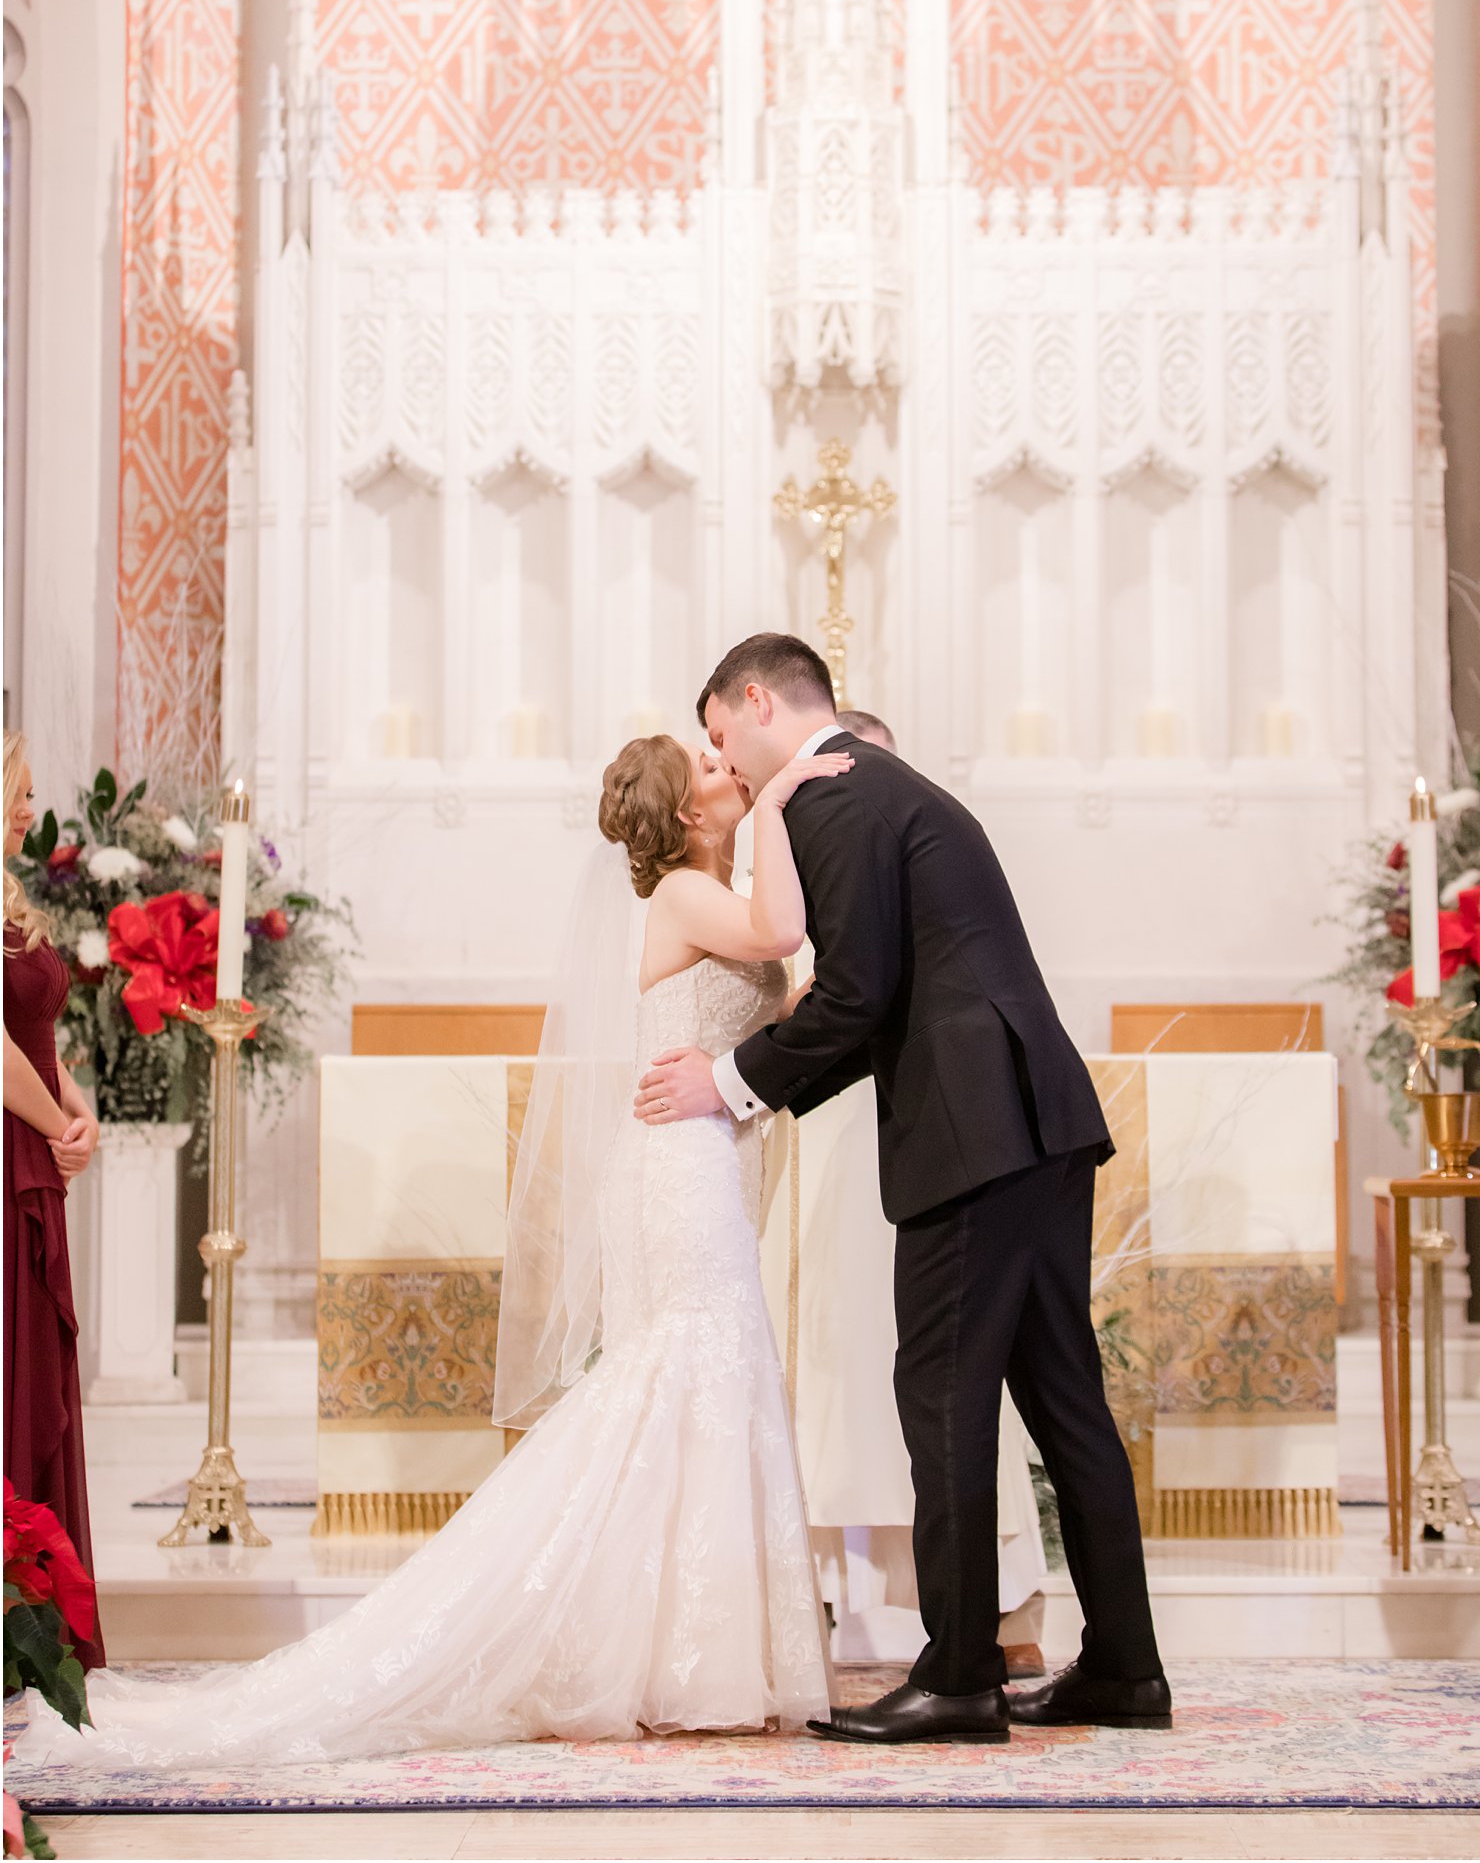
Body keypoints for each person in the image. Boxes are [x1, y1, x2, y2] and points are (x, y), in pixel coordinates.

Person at [13, 735, 847, 1769]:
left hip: (700, 1151)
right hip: (673, 1167)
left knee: (694, 1378)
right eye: (718, 772)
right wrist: (788, 792)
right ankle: (670, 1649)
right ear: (685, 816)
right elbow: (781, 928)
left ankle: (684, 1643)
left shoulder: (703, 894)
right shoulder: (683, 892)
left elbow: (777, 988)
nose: (735, 774)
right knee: (685, 1371)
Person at [636, 633, 1168, 1745]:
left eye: (722, 736)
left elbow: (857, 994)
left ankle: (960, 1675)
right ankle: (1122, 1666)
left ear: (753, 699)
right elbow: (880, 992)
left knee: (939, 1394)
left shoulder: (830, 796)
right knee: (1061, 1396)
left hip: (976, 1132)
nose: (723, 760)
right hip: (1029, 1116)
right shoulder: (875, 786)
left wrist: (727, 1082)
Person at [758, 707, 1049, 1678]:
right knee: (829, 1363)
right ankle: (803, 1603)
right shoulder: (792, 843)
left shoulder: (920, 844)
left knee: (942, 1369)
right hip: (830, 1123)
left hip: (923, 1124)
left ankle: (995, 1614)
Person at [3, 731, 105, 1673]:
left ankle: (39, 1634)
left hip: (34, 1140)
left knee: (40, 1363)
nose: (32, 808)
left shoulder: (15, 900)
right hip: (8, 1153)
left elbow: (37, 1034)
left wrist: (80, 1111)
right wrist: (48, 1127)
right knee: (16, 1373)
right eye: (20, 791)